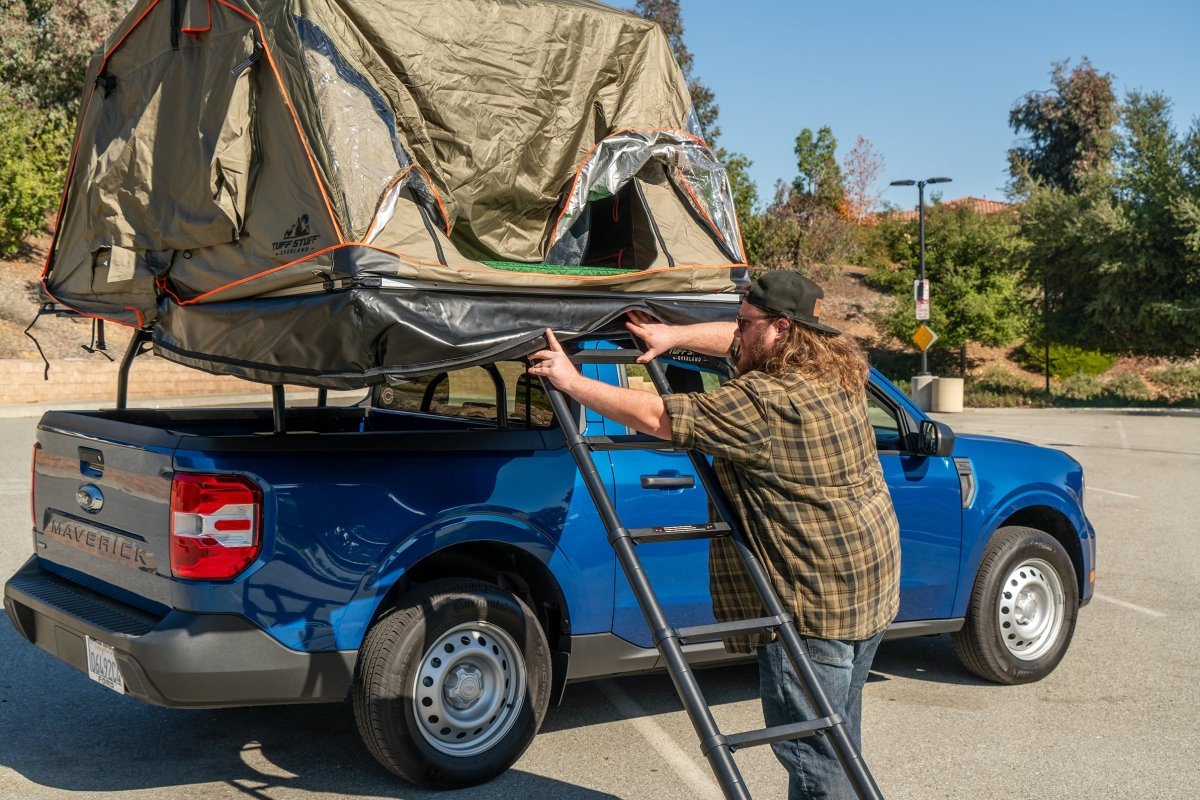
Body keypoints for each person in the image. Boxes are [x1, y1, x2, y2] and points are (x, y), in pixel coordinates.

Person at [529, 270, 900, 800]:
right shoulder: (835, 370)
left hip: (814, 603)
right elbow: (731, 340)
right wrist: (673, 337)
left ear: (781, 331)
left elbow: (660, 416)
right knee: (838, 741)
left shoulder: (768, 401)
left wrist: (571, 381)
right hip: (867, 588)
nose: (736, 333)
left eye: (747, 325)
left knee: (814, 756)